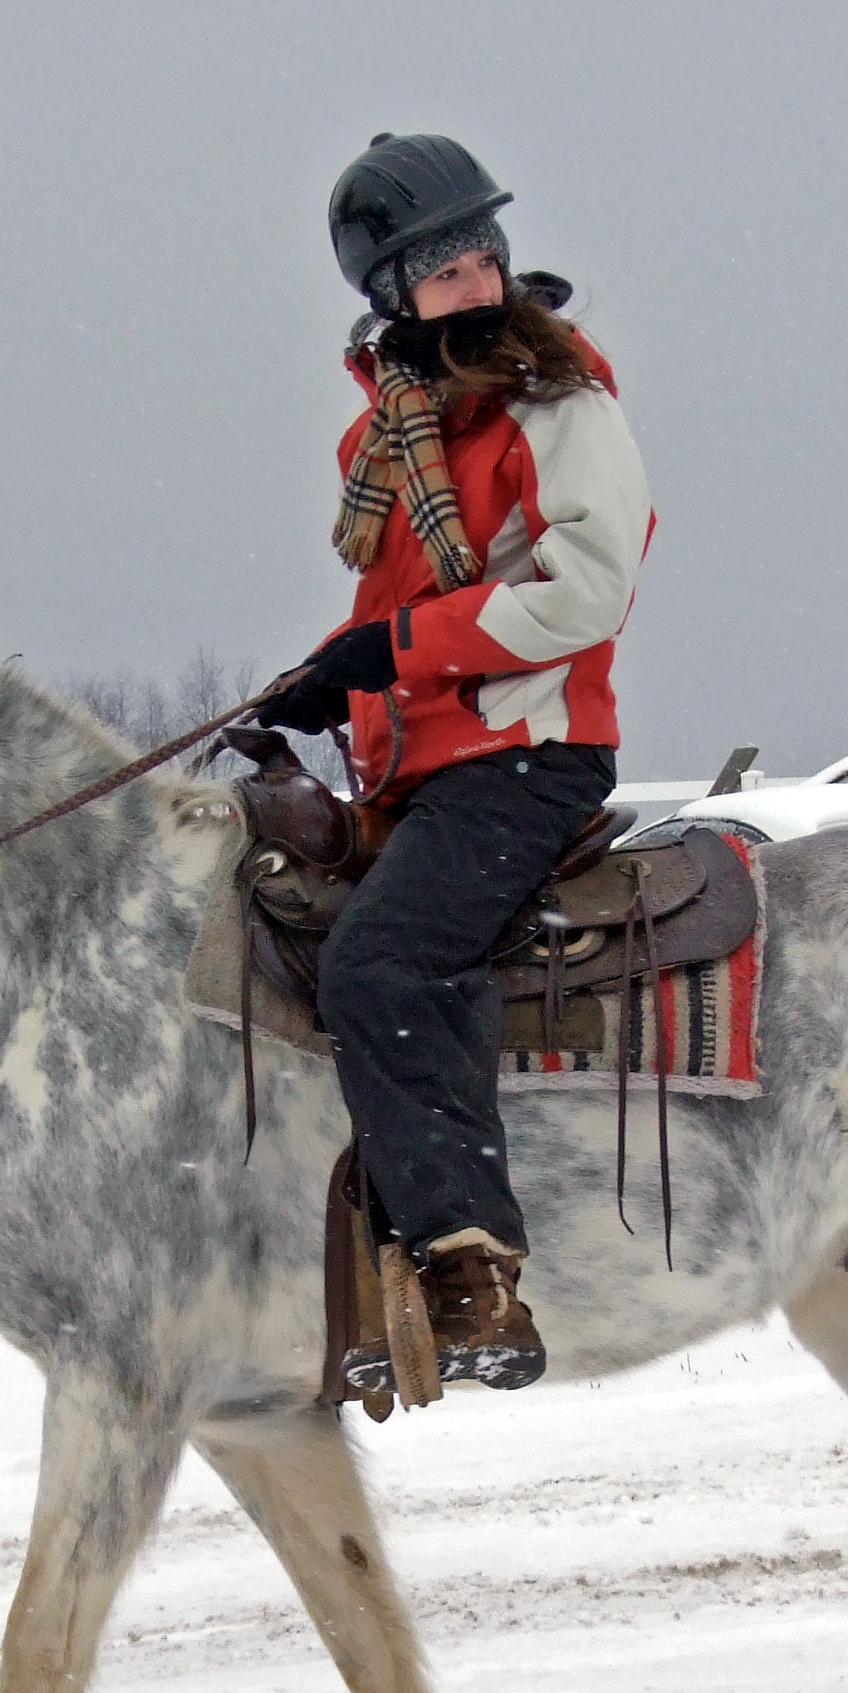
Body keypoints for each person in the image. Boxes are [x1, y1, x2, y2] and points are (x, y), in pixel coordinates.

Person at [252, 132, 654, 1393]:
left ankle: (473, 1276)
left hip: (528, 755)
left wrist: (393, 646)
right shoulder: (388, 440)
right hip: (420, 770)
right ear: (387, 297)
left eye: (480, 249)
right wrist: (318, 673)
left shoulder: (561, 404)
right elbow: (409, 601)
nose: (471, 277)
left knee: (385, 958)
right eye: (435, 264)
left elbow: (587, 592)